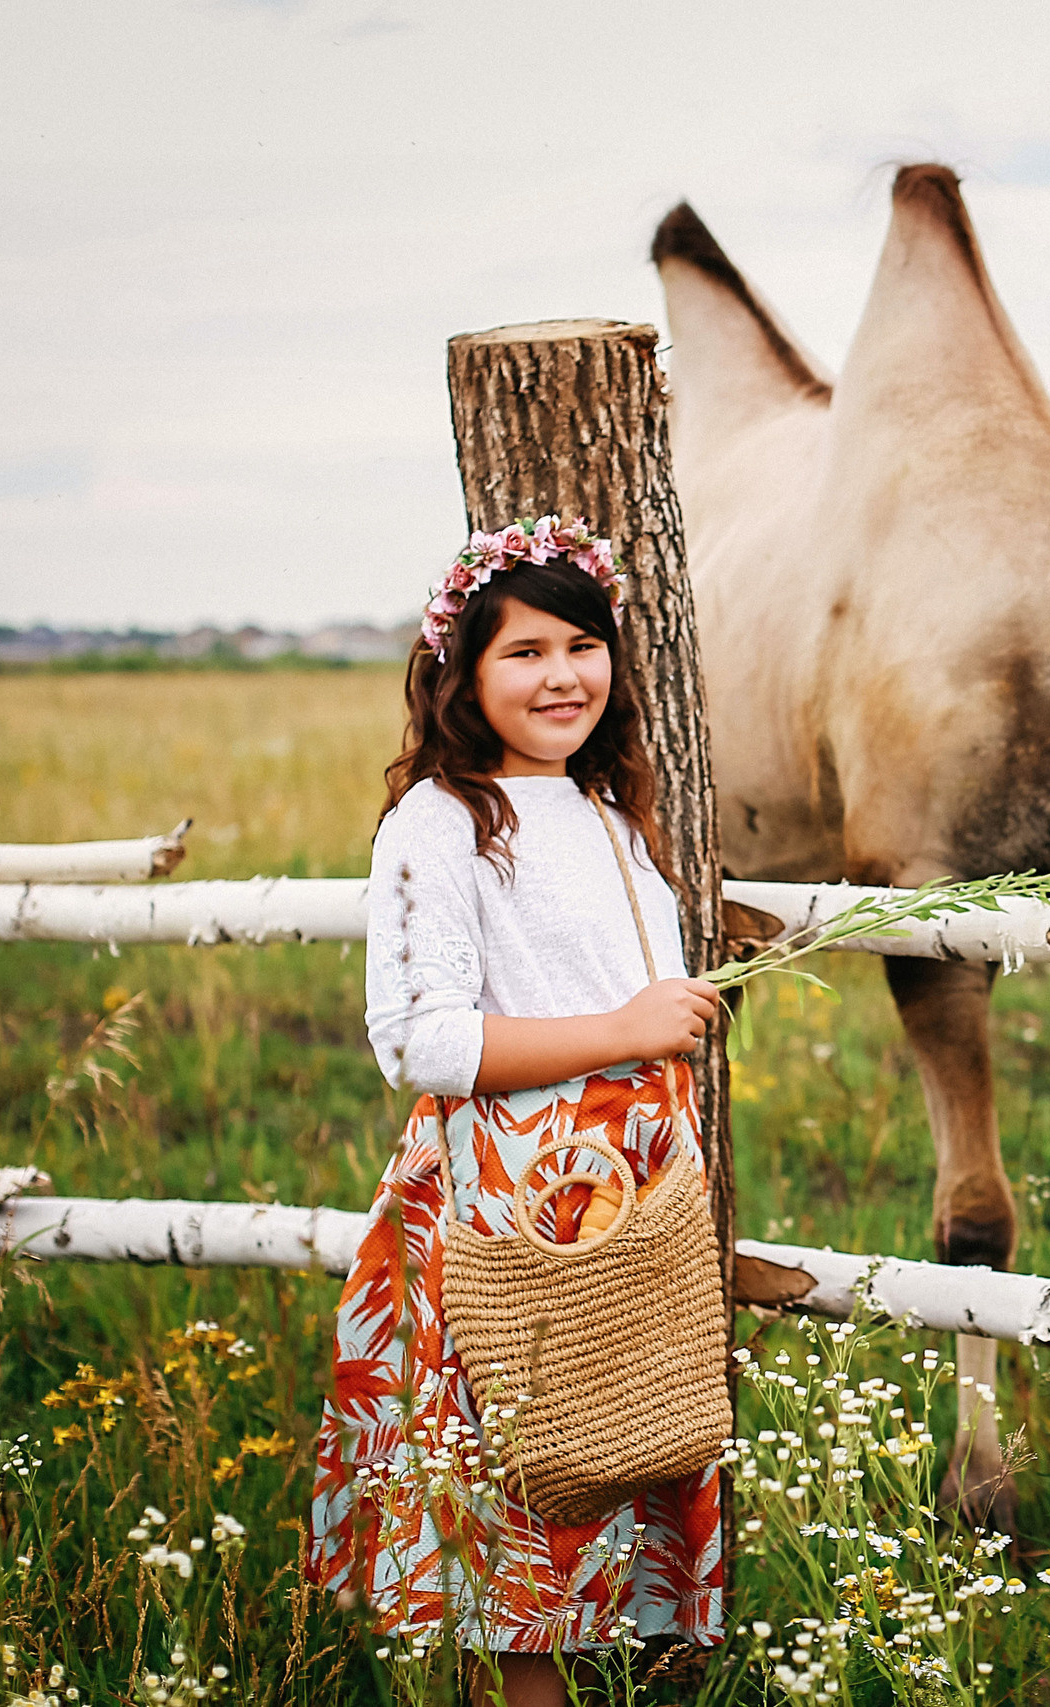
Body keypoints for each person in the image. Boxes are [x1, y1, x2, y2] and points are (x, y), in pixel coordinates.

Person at [306, 517, 725, 1706]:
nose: (561, 677)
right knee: (521, 1508)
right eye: (524, 653)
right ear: (464, 677)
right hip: (508, 1199)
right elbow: (422, 1040)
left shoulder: (602, 812)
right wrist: (625, 1033)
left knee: (628, 1445)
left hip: (628, 1195)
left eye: (582, 646)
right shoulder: (441, 823)